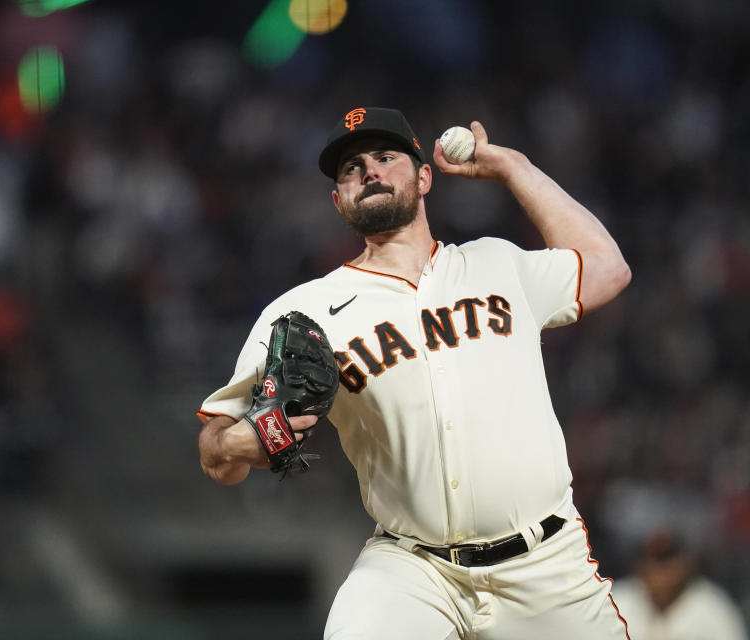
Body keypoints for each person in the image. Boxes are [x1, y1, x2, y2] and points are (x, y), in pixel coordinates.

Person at [197, 106, 633, 639]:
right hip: (412, 570)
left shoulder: (497, 263)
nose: (369, 171)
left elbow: (608, 268)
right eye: (351, 168)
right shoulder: (303, 311)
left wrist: (516, 168)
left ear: (424, 176)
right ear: (339, 201)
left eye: (385, 157)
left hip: (546, 564)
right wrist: (236, 444)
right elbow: (216, 450)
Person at [611, 528, 748, 640]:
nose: (660, 573)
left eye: (667, 561)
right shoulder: (616, 601)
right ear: (639, 568)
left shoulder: (713, 606)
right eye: (653, 562)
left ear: (687, 564)